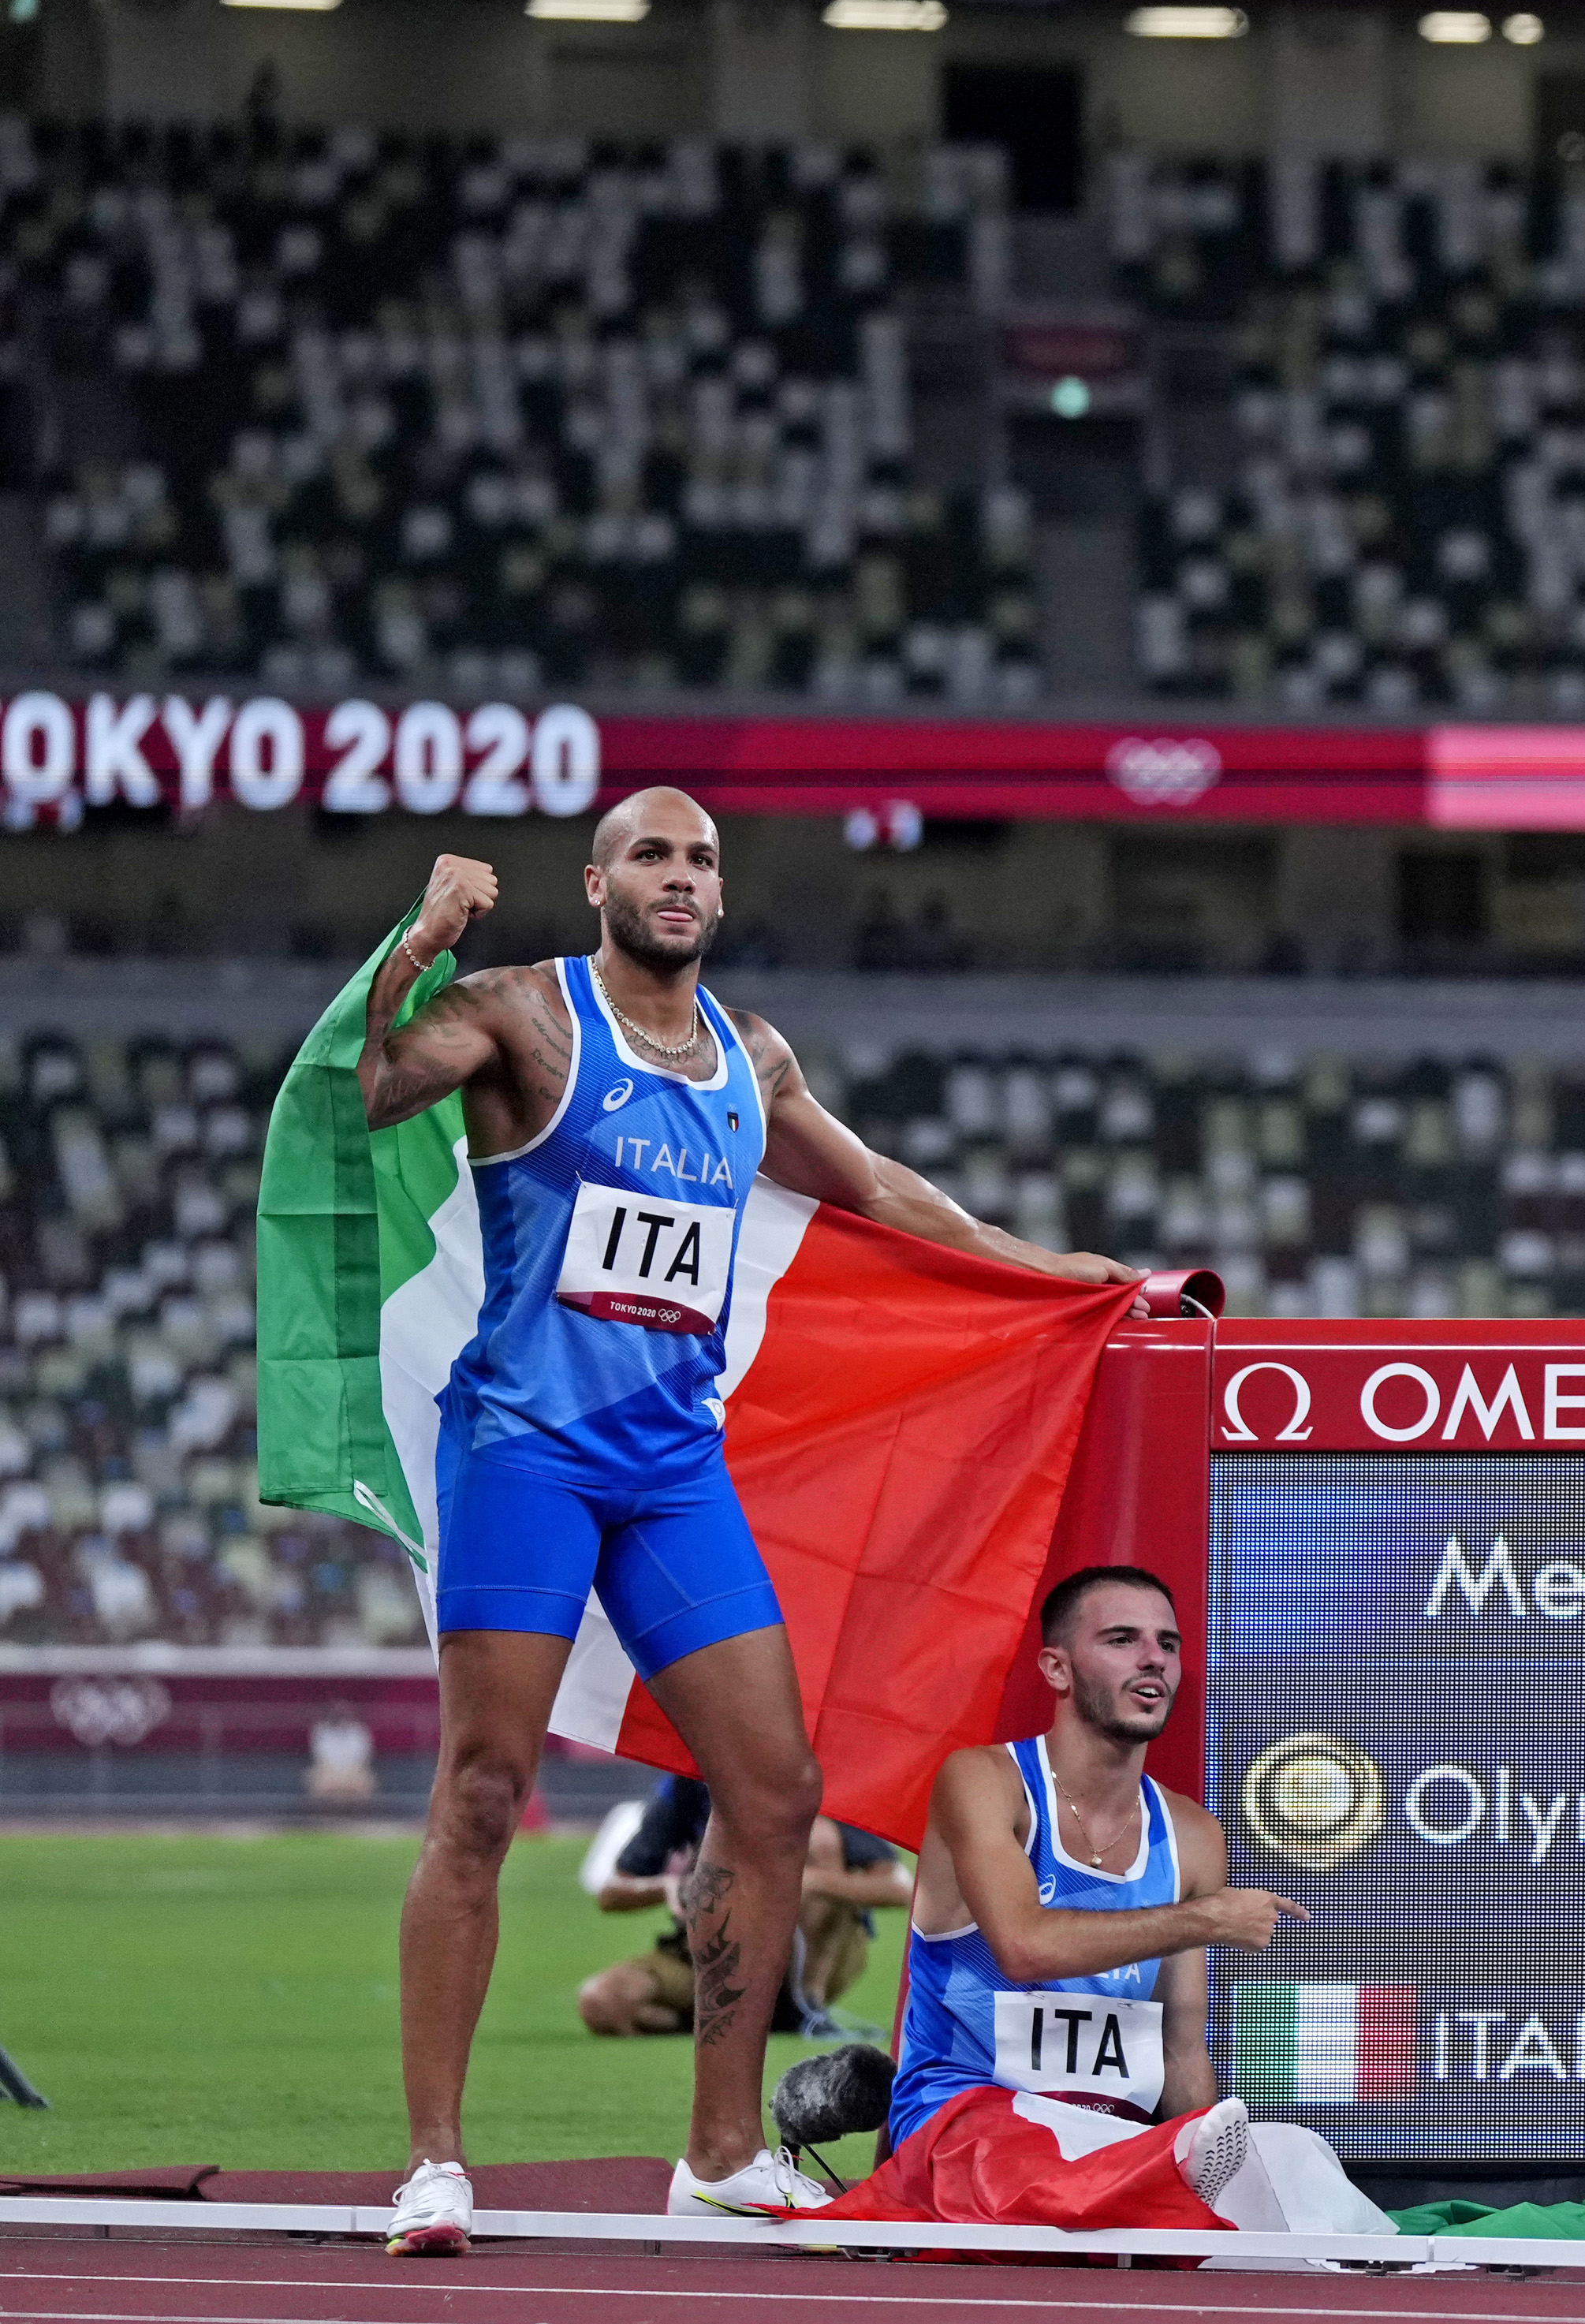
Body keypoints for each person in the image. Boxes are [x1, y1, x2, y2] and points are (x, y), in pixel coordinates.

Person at [356, 789, 1143, 2254]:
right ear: (597, 881)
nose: (679, 877)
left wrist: (1066, 1273)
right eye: (651, 854)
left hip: (671, 1470)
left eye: (701, 859)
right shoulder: (525, 1015)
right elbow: (377, 1088)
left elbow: (883, 1193)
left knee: (774, 1792)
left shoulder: (749, 1055)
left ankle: (720, 2148)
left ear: (720, 892)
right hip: (524, 1453)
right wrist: (418, 940)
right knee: (480, 1792)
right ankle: (436, 2163)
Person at [821, 1562, 1389, 2250]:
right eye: (1122, 1638)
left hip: (1110, 2141)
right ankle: (1147, 2193)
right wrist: (1204, 1917)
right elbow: (1023, 1946)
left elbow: (1180, 2050)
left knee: (1290, 2156)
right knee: (1040, 2163)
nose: (1154, 1657)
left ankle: (1181, 2198)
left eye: (1168, 1643)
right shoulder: (983, 1782)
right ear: (1057, 1669)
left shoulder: (1190, 1834)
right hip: (968, 2125)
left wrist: (1224, 2165)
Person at [578, 1776, 912, 2043]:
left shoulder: (821, 1774)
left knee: (813, 1838)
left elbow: (900, 1889)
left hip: (814, 1947)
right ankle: (734, 2027)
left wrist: (802, 1880)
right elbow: (612, 1892)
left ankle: (806, 2005)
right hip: (714, 1955)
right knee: (602, 2003)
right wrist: (670, 1886)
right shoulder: (690, 1781)